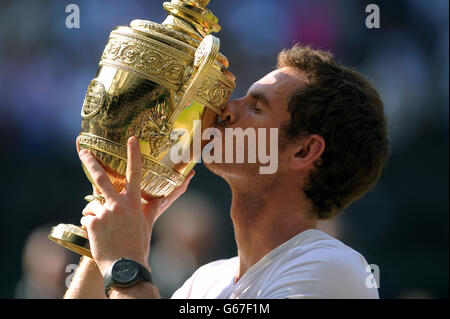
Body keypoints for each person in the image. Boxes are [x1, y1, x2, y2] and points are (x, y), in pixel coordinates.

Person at [65, 45, 389, 299]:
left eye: (256, 107)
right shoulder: (206, 281)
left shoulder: (333, 268)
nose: (226, 110)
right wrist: (107, 242)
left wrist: (125, 263)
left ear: (303, 151)